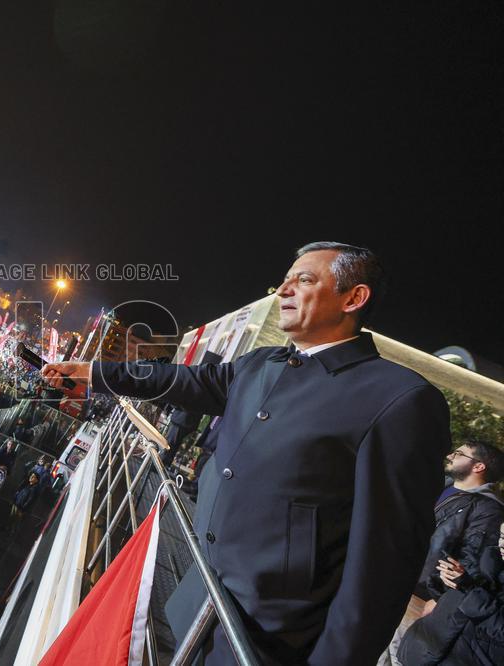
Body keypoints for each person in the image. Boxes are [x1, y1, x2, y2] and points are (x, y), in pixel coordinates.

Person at [43, 242, 452, 665]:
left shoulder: (402, 399)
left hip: (270, 640)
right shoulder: (261, 364)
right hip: (200, 596)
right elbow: (182, 380)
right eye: (287, 280)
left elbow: (382, 569)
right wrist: (94, 372)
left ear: (354, 297)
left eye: (305, 280)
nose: (284, 291)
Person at [381, 440, 504, 664]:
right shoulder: (443, 487)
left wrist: (440, 598)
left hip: (419, 597)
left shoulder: (488, 509)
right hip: (390, 580)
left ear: (478, 466)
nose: (450, 456)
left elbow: (475, 561)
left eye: (459, 453)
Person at [398, 520, 504, 665]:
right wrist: (447, 582)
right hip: (423, 648)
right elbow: (459, 602)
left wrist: (468, 588)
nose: (502, 545)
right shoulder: (489, 559)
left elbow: (498, 627)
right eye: (502, 536)